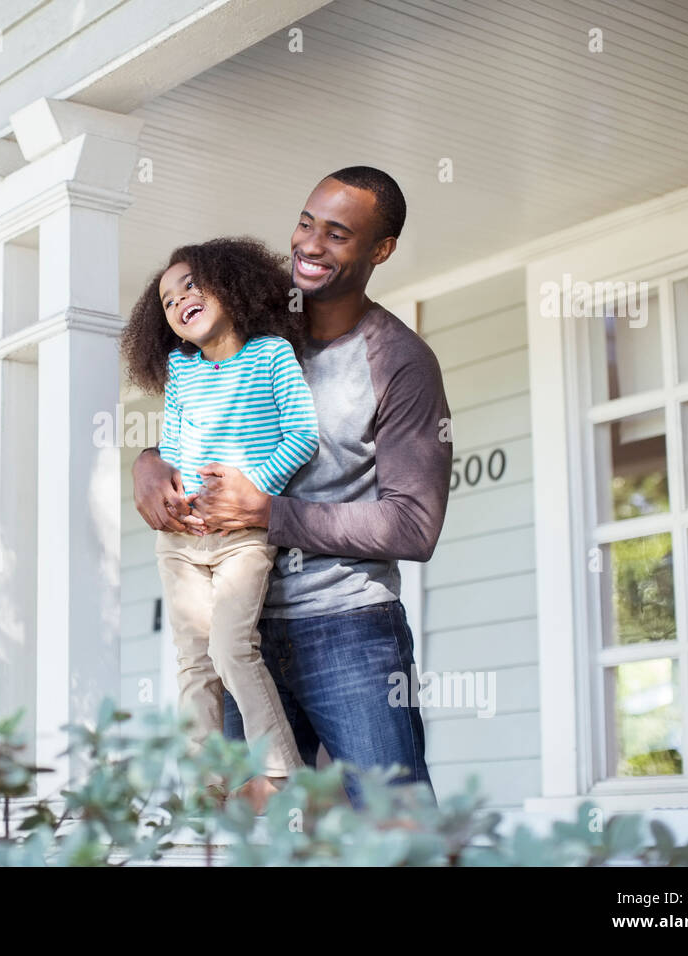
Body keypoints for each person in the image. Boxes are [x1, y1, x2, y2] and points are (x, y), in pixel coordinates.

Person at [131, 168, 452, 810]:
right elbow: (200, 420)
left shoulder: (399, 361)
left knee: (393, 829)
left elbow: (414, 526)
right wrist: (147, 462)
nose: (310, 244)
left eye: (338, 234)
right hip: (237, 625)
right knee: (252, 831)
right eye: (307, 223)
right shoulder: (248, 321)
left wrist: (271, 512)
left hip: (346, 628)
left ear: (380, 250)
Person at [120, 237, 319, 814]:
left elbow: (302, 435)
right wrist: (175, 498)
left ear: (231, 288)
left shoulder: (272, 356)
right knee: (193, 662)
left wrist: (252, 489)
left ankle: (283, 775)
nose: (179, 299)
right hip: (182, 540)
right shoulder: (182, 370)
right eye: (166, 300)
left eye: (191, 285)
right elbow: (176, 446)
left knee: (233, 649)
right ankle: (202, 793)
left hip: (242, 536)